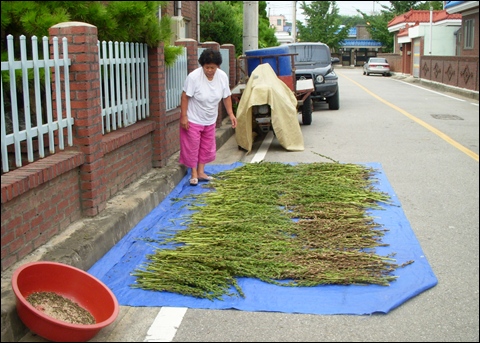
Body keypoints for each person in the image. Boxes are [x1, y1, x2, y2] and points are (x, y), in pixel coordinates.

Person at [179, 48, 237, 186]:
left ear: (218, 66)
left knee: (206, 146)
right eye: (207, 67)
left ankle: (201, 171)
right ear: (202, 65)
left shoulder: (222, 76)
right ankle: (193, 173)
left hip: (210, 118)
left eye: (213, 67)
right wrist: (184, 116)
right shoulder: (193, 77)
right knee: (192, 146)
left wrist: (231, 114)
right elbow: (185, 97)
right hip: (193, 118)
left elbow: (226, 96)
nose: (210, 70)